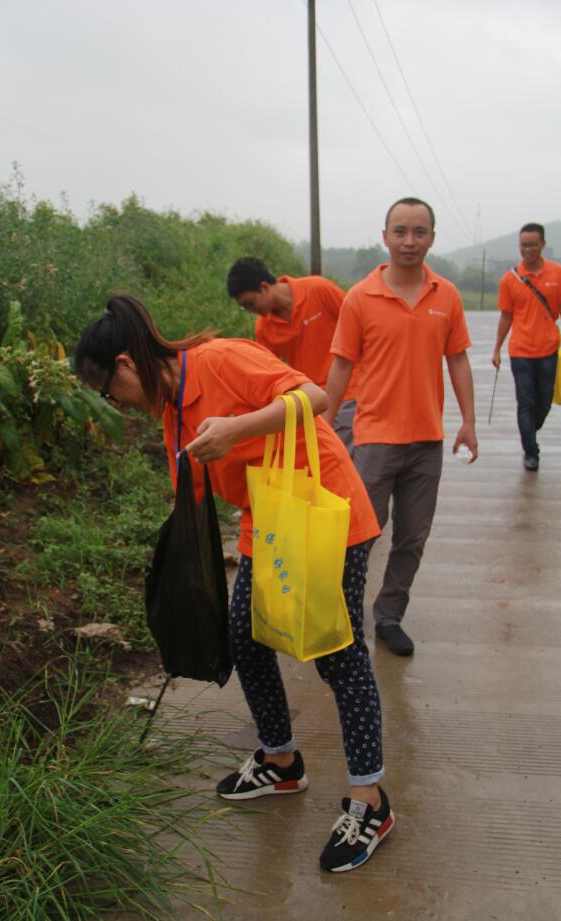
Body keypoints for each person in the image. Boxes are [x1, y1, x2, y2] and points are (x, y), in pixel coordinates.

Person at [75, 294, 394, 873]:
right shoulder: (168, 410)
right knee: (245, 637)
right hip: (268, 520)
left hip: (324, 514)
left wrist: (236, 427)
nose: (114, 404)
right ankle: (281, 762)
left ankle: (371, 801)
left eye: (107, 391)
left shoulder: (221, 360)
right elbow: (201, 488)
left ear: (125, 365)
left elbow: (317, 398)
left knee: (338, 657)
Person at [324, 197, 478, 657]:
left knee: (412, 538)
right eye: (400, 231)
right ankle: (344, 618)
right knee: (360, 535)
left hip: (427, 440)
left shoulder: (446, 295)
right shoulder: (360, 297)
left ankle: (388, 616)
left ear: (432, 236)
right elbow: (340, 366)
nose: (409, 241)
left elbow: (459, 359)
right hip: (373, 439)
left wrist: (468, 421)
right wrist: (325, 425)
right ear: (385, 235)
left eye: (419, 232)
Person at [227, 257, 358, 452]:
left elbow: (359, 325)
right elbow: (267, 374)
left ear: (263, 287)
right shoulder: (264, 328)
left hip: (351, 392)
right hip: (313, 403)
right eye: (245, 307)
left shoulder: (318, 289)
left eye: (249, 303)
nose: (250, 311)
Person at [492, 223, 561, 471]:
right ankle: (531, 452)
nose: (528, 249)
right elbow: (506, 316)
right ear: (519, 246)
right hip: (520, 351)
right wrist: (497, 349)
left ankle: (529, 430)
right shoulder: (509, 280)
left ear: (543, 244)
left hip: (549, 350)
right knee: (526, 402)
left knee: (543, 401)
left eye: (533, 244)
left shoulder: (558, 274)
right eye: (524, 245)